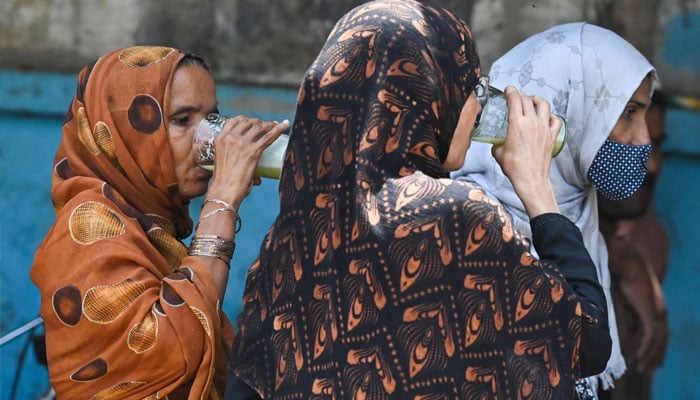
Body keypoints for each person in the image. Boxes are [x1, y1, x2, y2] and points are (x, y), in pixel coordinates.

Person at [228, 1, 610, 398]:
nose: (479, 107)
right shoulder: (455, 221)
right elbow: (589, 341)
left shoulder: (293, 238)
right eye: (470, 87)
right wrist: (537, 190)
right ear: (426, 93)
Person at [30, 46, 289, 399]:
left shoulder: (153, 229)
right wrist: (223, 198)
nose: (208, 140)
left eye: (212, 118)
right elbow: (171, 352)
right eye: (183, 121)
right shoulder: (90, 223)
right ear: (126, 133)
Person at [451, 22, 656, 396]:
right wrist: (539, 196)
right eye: (629, 113)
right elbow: (585, 344)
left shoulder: (580, 210)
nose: (643, 139)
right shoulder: (470, 216)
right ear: (568, 110)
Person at [598, 91, 670, 400]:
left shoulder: (647, 241)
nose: (651, 165)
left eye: (658, 145)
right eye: (631, 144)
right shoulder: (521, 247)